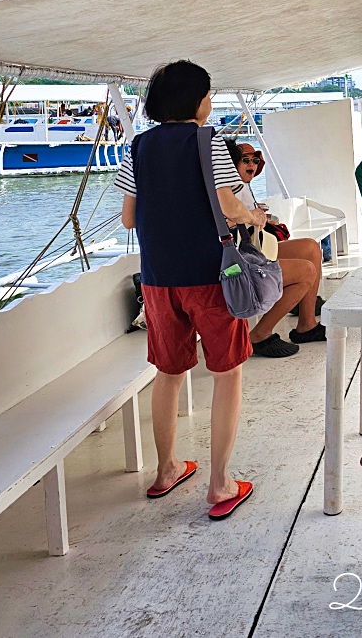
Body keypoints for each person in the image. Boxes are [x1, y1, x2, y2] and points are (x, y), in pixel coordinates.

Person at [116, 60, 262, 520]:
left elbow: (128, 218)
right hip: (211, 277)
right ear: (198, 101)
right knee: (227, 372)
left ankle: (166, 471)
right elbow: (226, 201)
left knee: (169, 371)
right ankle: (220, 485)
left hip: (158, 281)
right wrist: (252, 217)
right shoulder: (208, 140)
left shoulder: (137, 147)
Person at [224, 139, 325, 355]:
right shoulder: (225, 189)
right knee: (306, 271)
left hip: (251, 248)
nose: (252, 163)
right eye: (245, 160)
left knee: (311, 248)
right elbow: (227, 221)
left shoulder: (241, 185)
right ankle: (260, 334)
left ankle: (307, 325)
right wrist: (251, 216)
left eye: (255, 160)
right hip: (236, 259)